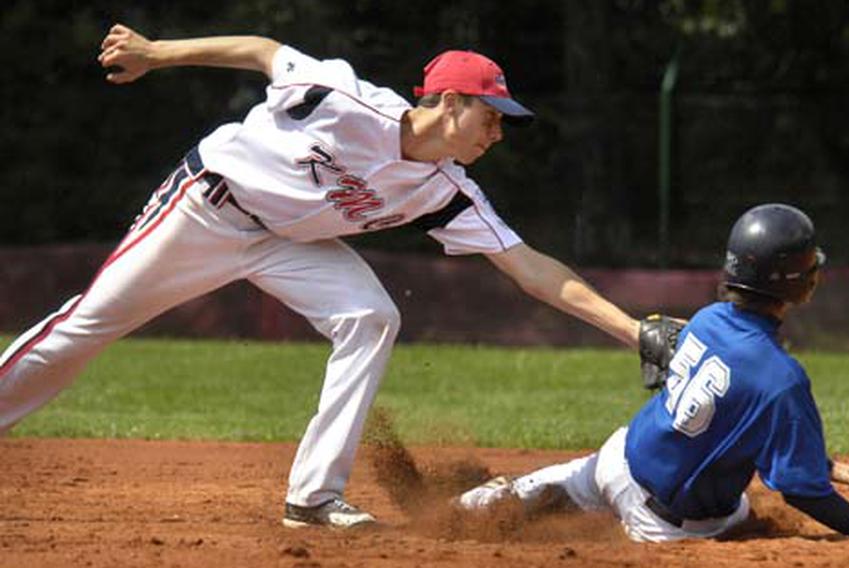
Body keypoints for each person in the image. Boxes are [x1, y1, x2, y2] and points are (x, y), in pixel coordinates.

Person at [0, 25, 676, 529]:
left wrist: (633, 331)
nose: (498, 133)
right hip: (209, 207)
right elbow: (263, 51)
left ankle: (313, 497)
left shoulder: (445, 190)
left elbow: (532, 270)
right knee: (89, 324)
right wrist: (155, 53)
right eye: (490, 116)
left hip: (287, 243)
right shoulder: (344, 100)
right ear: (447, 102)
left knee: (371, 316)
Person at [458, 203, 849, 543]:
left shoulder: (707, 319)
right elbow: (803, 494)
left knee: (538, 494)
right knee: (736, 517)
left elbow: (721, 405)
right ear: (800, 284)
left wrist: (818, 461)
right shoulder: (781, 379)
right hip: (664, 523)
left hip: (618, 461)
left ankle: (467, 505)